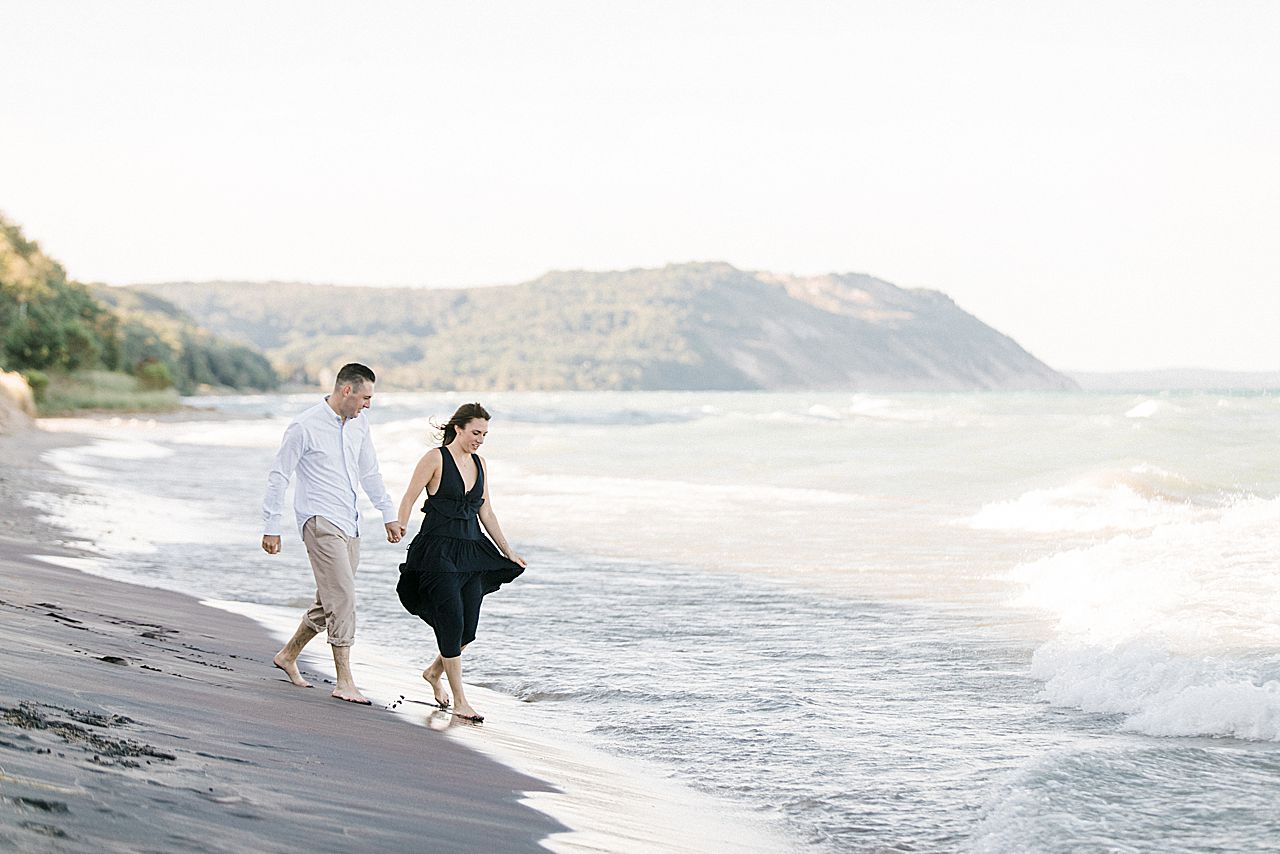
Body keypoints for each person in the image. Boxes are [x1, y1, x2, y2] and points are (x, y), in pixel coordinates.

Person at [261, 362, 404, 705]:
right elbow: (279, 475)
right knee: (343, 598)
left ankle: (288, 655)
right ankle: (345, 681)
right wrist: (272, 526)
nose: (368, 405)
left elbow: (370, 472)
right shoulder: (304, 426)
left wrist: (387, 513)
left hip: (350, 522)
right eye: (365, 398)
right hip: (319, 520)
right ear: (346, 390)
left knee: (329, 600)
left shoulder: (360, 424)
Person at [395, 402, 526, 722]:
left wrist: (507, 551)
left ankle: (433, 672)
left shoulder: (480, 464)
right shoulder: (435, 459)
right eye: (475, 432)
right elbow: (410, 496)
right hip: (437, 552)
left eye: (484, 434)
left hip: (471, 552)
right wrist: (400, 524)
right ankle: (460, 701)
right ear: (458, 428)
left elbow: (486, 511)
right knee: (452, 623)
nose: (480, 439)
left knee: (467, 632)